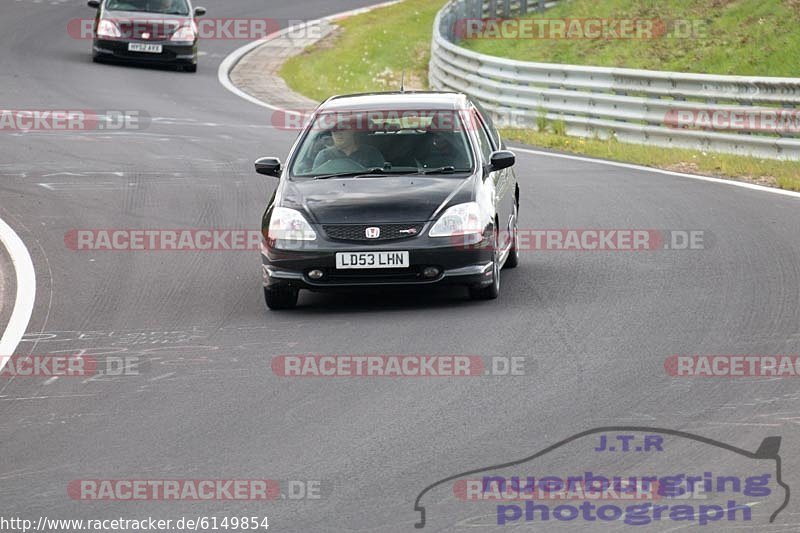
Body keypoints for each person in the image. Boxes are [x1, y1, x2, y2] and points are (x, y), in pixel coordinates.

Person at [312, 117, 385, 170]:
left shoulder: (370, 153)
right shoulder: (324, 156)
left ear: (352, 131)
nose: (338, 133)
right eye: (334, 130)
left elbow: (381, 177)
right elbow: (314, 180)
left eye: (342, 129)